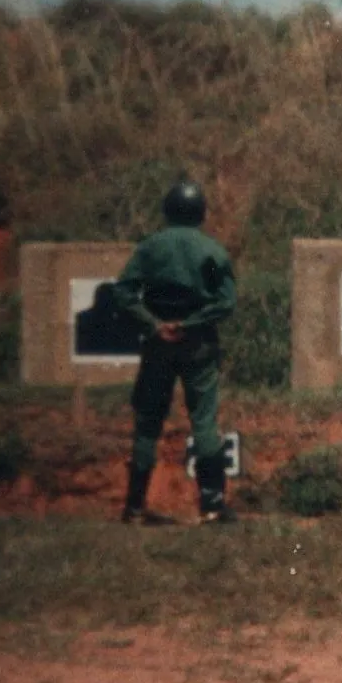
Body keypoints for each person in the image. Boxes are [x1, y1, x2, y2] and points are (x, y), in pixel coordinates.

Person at [112, 179, 238, 525]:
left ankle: (135, 507)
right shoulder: (209, 252)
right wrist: (190, 324)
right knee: (205, 422)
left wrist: (154, 324)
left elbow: (123, 293)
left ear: (167, 211)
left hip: (157, 346)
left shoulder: (151, 249)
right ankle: (212, 506)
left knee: (148, 423)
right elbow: (224, 302)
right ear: (201, 213)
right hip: (198, 345)